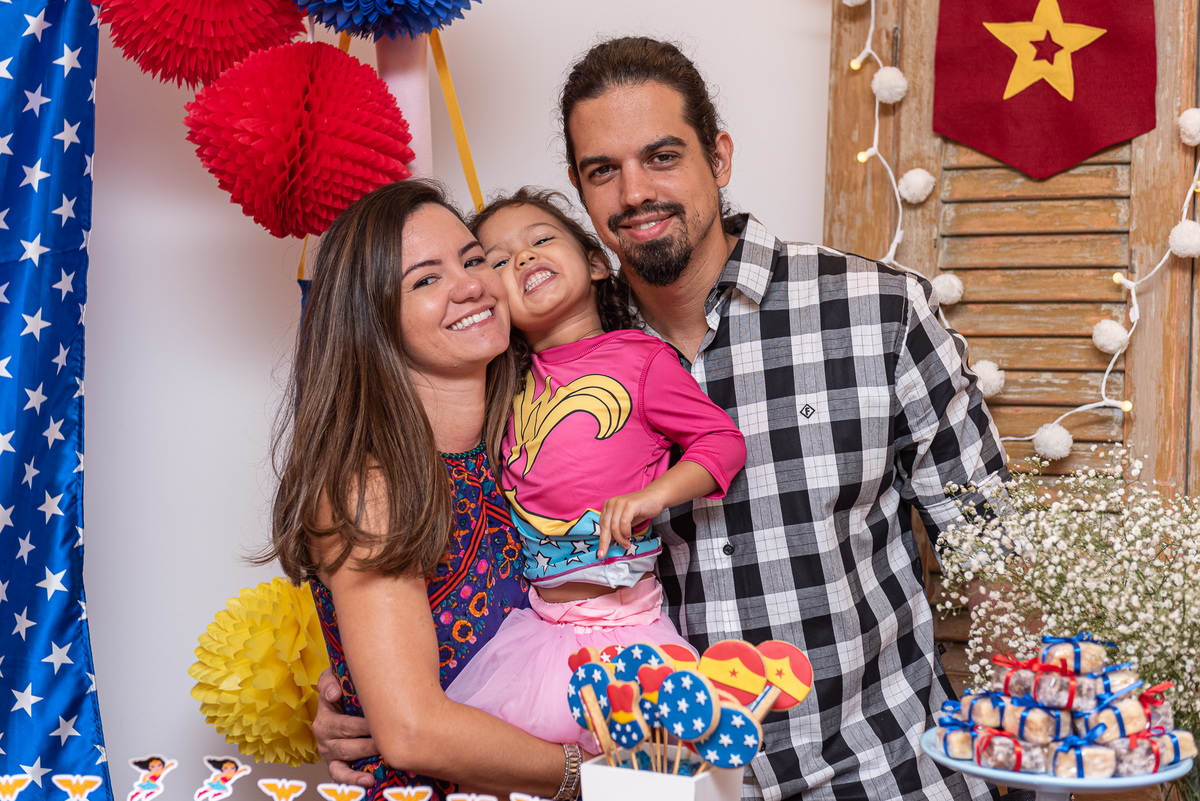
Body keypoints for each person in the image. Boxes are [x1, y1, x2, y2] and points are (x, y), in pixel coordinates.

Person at [315, 37, 1008, 801]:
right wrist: (372, 690)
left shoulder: (871, 311)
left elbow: (995, 559)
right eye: (602, 171)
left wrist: (1036, 758)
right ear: (581, 193)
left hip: (879, 772)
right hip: (669, 786)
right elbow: (469, 571)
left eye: (663, 155)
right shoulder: (527, 362)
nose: (635, 191)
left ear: (720, 158)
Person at [268, 180, 584, 800]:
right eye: (425, 279)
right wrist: (589, 774)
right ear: (372, 321)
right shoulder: (371, 484)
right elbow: (412, 730)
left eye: (473, 260)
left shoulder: (524, 443)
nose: (471, 285)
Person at [442, 187, 746, 749]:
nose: (524, 259)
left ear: (597, 262)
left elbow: (721, 442)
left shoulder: (642, 359)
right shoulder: (496, 386)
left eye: (540, 241)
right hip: (533, 634)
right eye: (500, 261)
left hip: (629, 632)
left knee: (640, 780)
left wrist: (656, 494)